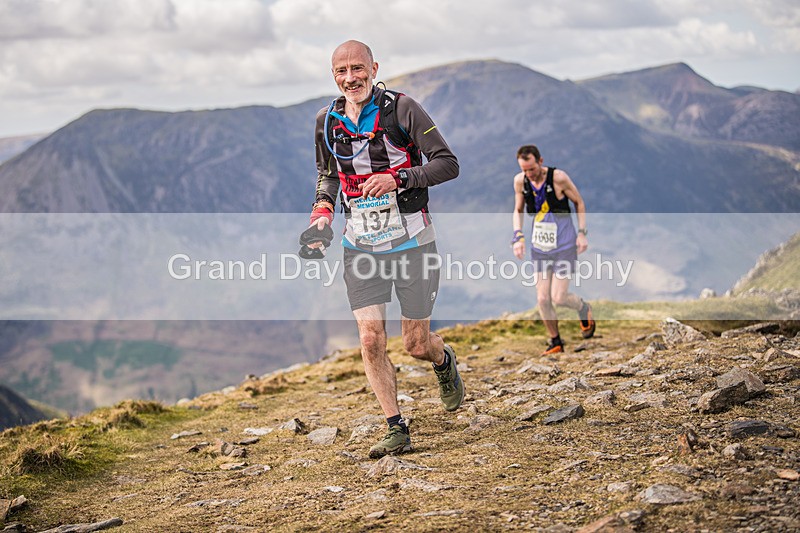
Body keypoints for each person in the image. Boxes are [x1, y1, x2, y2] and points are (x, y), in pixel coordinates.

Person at [304, 40, 464, 459]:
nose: (350, 77)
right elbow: (328, 178)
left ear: (374, 68)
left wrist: (399, 179)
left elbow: (447, 164)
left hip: (413, 240)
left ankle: (443, 360)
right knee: (371, 338)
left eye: (358, 68)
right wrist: (322, 214)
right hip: (360, 245)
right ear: (333, 75)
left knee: (415, 343)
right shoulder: (326, 121)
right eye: (341, 71)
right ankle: (396, 427)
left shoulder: (402, 109)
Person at [511, 145, 596, 355]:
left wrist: (582, 233)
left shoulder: (558, 178)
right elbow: (518, 209)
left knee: (559, 297)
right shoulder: (520, 181)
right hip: (540, 246)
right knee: (542, 298)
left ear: (540, 161)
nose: (529, 174)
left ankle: (582, 308)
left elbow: (579, 202)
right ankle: (555, 341)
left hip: (565, 244)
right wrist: (518, 236)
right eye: (525, 170)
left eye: (532, 168)